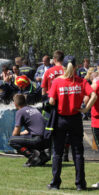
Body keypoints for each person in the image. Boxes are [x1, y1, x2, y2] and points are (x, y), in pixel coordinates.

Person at [48, 55, 97, 191]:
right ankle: (80, 184)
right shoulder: (81, 82)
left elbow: (51, 101)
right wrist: (86, 109)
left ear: (62, 67)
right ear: (76, 67)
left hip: (61, 120)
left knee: (57, 152)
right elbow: (94, 95)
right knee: (78, 152)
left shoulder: (57, 82)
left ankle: (55, 183)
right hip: (75, 118)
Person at [9, 94, 49, 167]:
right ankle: (42, 156)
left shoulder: (20, 111)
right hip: (46, 140)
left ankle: (33, 156)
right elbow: (31, 130)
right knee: (22, 138)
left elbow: (15, 133)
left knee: (12, 140)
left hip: (37, 139)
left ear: (15, 104)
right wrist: (20, 135)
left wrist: (15, 138)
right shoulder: (33, 109)